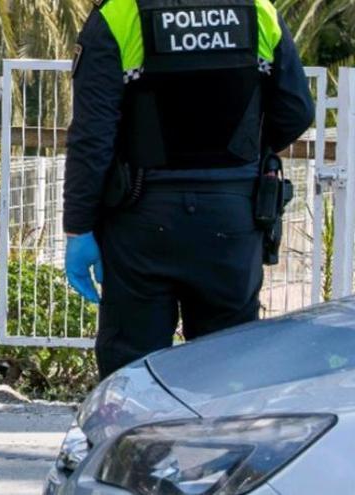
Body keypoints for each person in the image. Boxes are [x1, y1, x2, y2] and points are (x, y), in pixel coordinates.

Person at [63, 0, 314, 378]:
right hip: (233, 217)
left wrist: (78, 227)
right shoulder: (258, 12)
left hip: (141, 218)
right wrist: (242, 154)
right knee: (229, 372)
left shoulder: (120, 15)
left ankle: (139, 439)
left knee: (134, 370)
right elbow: (296, 112)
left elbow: (92, 138)